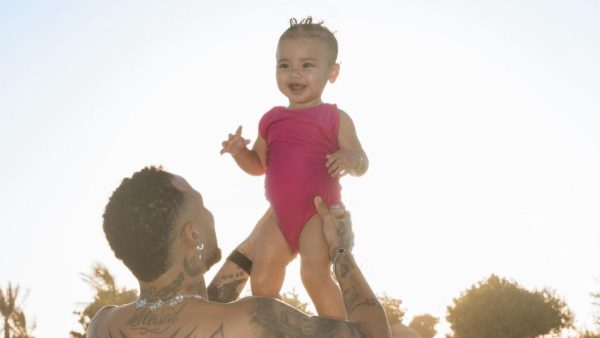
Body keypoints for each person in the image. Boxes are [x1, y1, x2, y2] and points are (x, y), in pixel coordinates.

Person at [88, 166, 390, 337]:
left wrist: (251, 245)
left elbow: (194, 306)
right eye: (202, 205)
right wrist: (340, 250)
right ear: (193, 234)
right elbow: (373, 335)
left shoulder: (102, 325)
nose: (210, 214)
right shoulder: (254, 319)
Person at [220, 17, 368, 320]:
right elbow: (258, 165)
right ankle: (272, 328)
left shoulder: (334, 117)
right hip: (279, 218)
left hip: (319, 214)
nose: (294, 73)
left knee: (313, 276)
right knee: (261, 280)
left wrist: (350, 160)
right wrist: (239, 153)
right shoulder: (271, 119)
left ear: (333, 72)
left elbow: (363, 161)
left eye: (307, 65)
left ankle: (341, 330)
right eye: (284, 65)